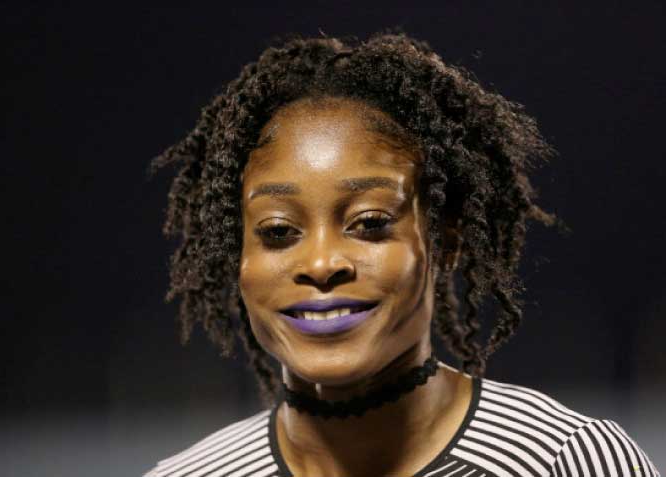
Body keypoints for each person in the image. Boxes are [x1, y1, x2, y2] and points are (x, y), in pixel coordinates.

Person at [143, 32, 659, 477]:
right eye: (278, 231)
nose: (322, 264)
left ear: (446, 238)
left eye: (369, 224)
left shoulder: (564, 460)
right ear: (238, 257)